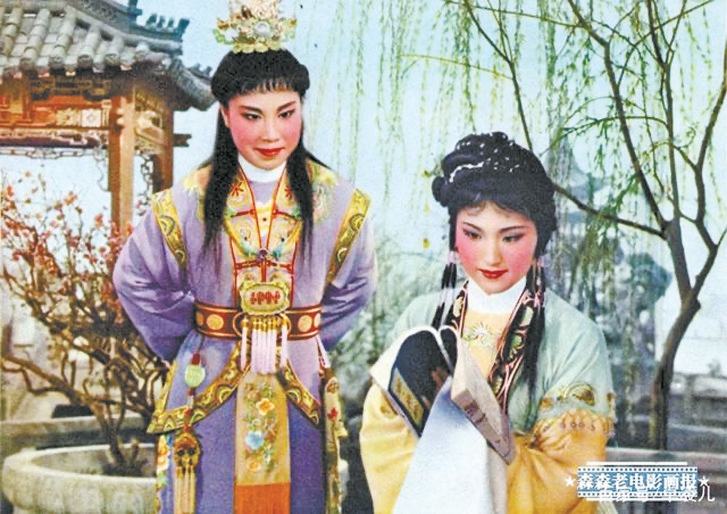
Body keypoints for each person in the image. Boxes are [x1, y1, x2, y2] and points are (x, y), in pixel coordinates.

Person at [112, 26, 377, 514]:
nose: (271, 133)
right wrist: (195, 337)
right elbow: (135, 278)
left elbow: (357, 284)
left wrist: (304, 338)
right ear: (225, 115)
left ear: (301, 109)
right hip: (209, 386)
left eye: (286, 113)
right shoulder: (186, 200)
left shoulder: (339, 202)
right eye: (252, 116)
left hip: (300, 392)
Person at [359, 132, 615, 513]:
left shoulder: (574, 336)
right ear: (454, 233)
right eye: (473, 234)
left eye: (511, 237)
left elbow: (569, 474)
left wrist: (464, 471)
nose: (490, 256)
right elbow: (384, 433)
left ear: (539, 238)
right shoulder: (420, 318)